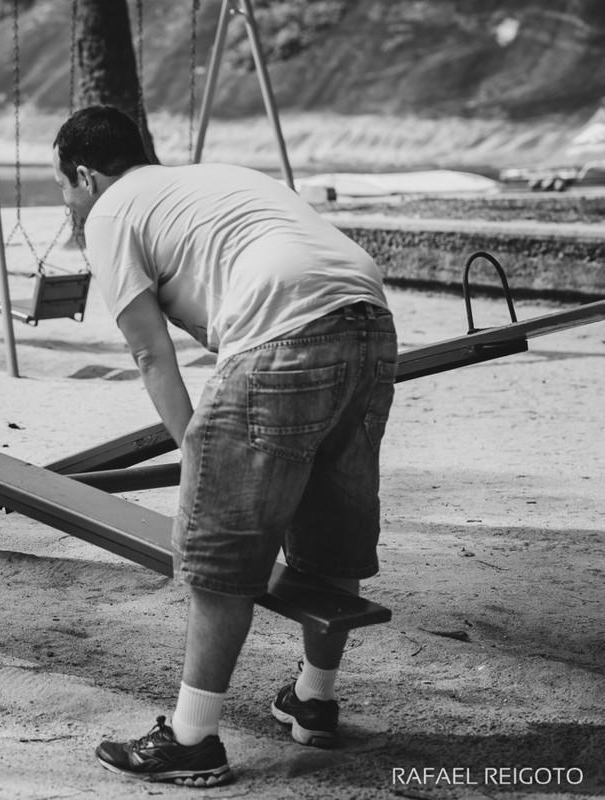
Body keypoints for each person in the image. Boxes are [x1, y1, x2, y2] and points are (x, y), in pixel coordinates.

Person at [52, 106, 397, 787]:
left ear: (86, 176)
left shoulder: (110, 213)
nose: (65, 201)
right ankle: (314, 700)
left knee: (215, 549)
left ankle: (191, 739)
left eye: (62, 186)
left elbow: (151, 355)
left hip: (286, 326)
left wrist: (199, 463)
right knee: (330, 529)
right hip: (371, 321)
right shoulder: (213, 179)